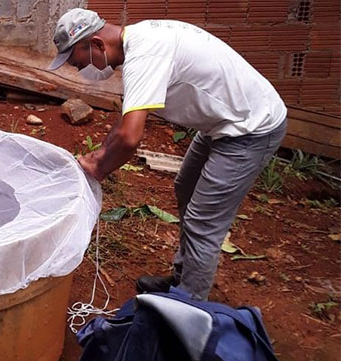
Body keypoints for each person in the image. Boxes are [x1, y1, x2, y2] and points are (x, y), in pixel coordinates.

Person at [48, 9, 287, 300]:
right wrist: (96, 155)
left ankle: (186, 311)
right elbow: (125, 122)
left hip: (251, 128)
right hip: (223, 122)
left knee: (203, 221)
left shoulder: (145, 56)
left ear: (97, 44)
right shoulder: (140, 40)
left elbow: (130, 138)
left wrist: (98, 169)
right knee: (185, 186)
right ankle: (184, 277)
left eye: (79, 63)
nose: (81, 70)